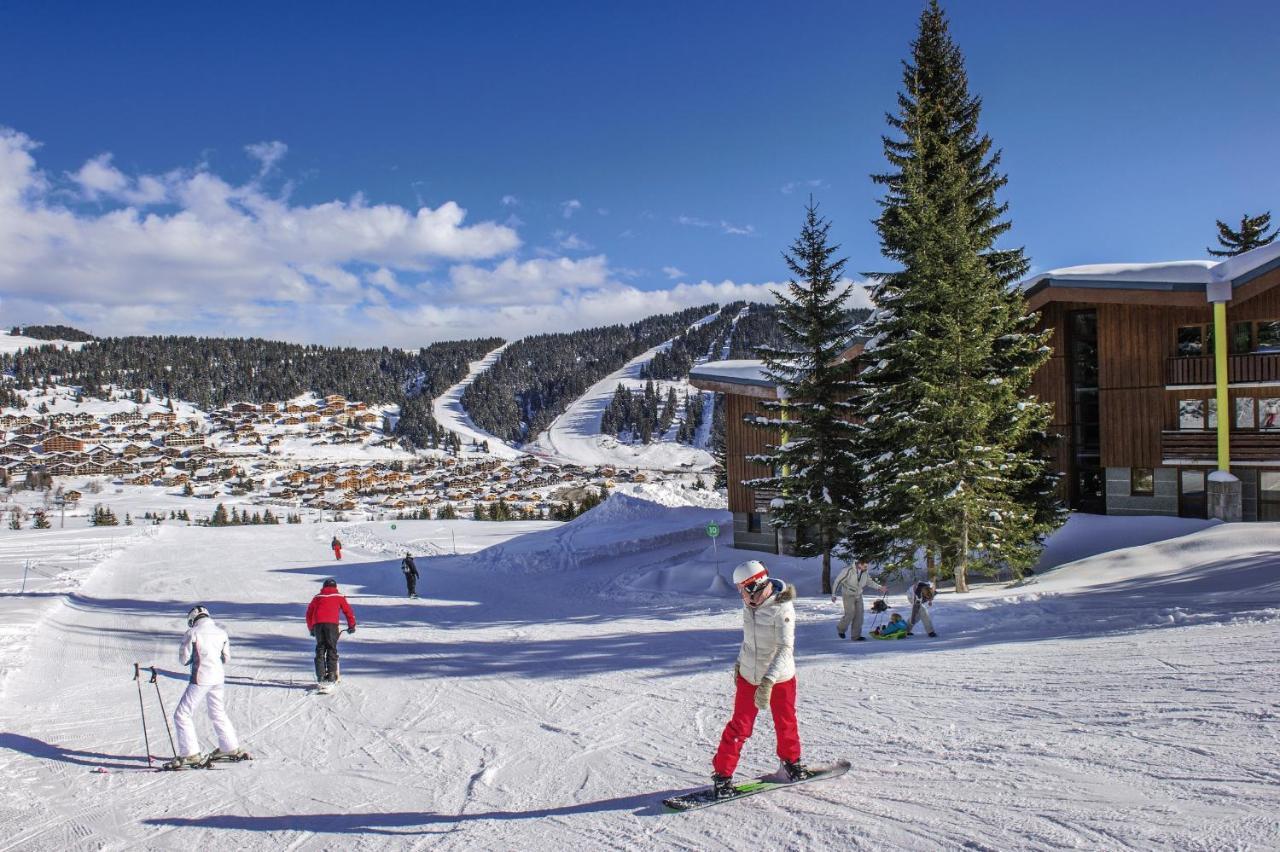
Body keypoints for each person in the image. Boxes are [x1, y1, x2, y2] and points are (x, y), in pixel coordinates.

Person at [711, 560, 807, 798]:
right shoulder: (750, 605)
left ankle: (792, 763)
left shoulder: (782, 609)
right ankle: (723, 777)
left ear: (754, 586)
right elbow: (749, 641)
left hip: (780, 678)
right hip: (749, 675)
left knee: (785, 722)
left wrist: (768, 681)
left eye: (742, 588)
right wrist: (739, 662)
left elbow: (785, 649)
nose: (740, 594)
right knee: (739, 727)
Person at [172, 606, 243, 765]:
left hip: (201, 677)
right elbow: (226, 658)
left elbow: (184, 659)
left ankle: (190, 753)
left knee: (182, 714)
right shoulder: (221, 632)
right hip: (218, 678)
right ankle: (229, 746)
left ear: (192, 620)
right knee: (217, 711)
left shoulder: (193, 633)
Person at [306, 578, 356, 683]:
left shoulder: (317, 597)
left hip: (318, 625)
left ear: (323, 587)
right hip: (331, 625)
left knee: (320, 648)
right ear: (335, 587)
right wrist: (351, 625)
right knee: (331, 648)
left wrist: (311, 628)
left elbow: (309, 613)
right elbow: (348, 611)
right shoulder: (339, 596)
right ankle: (332, 675)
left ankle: (320, 675)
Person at [831, 559, 888, 641]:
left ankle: (856, 636)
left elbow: (869, 582)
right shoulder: (848, 570)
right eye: (865, 566)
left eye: (867, 566)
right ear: (859, 564)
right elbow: (837, 581)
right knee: (850, 614)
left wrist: (880, 587)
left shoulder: (865, 572)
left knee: (859, 616)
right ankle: (841, 629)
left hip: (858, 595)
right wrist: (833, 594)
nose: (866, 568)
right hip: (848, 594)